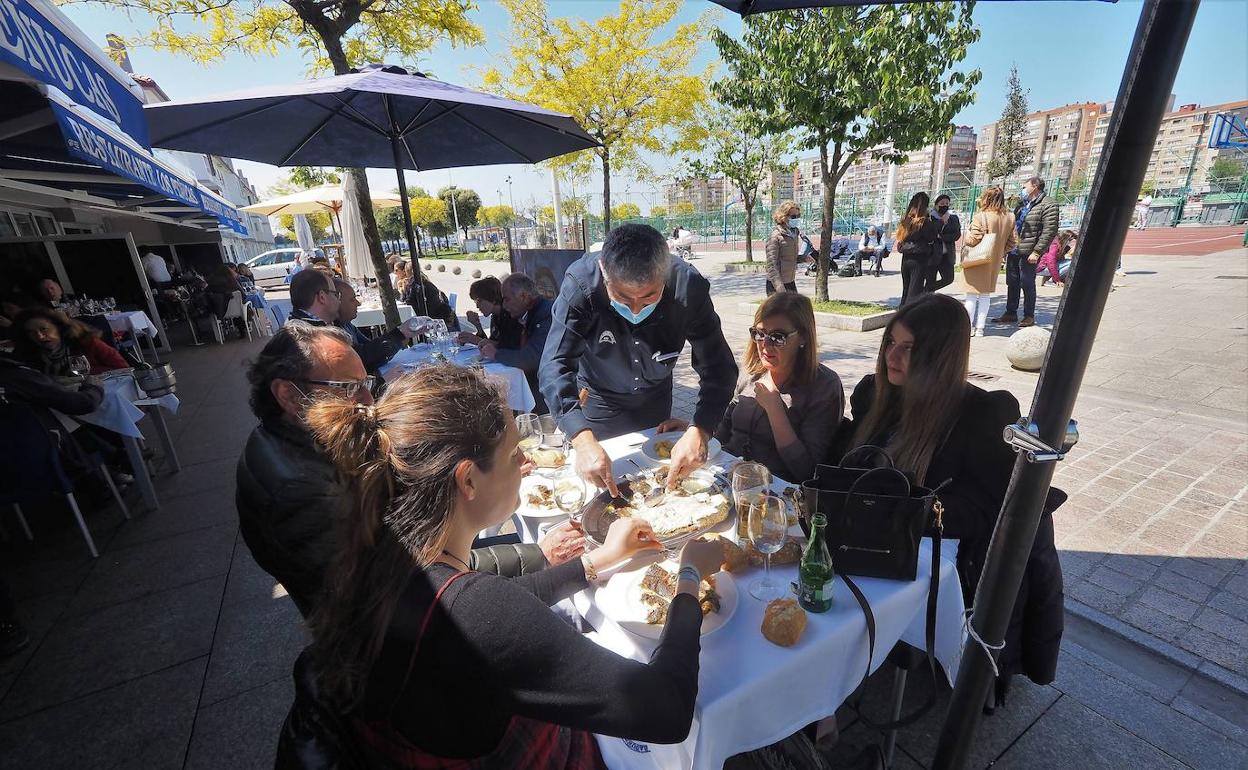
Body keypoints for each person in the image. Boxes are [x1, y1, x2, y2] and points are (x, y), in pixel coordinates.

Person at [281, 364, 723, 765]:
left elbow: (490, 617)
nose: (527, 463)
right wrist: (688, 577)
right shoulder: (477, 614)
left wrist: (596, 561)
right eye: (515, 455)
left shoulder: (378, 550)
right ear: (468, 479)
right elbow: (668, 710)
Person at [236, 323, 577, 618]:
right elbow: (432, 596)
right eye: (350, 388)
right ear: (289, 396)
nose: (370, 400)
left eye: (366, 382)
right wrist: (554, 561)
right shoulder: (301, 495)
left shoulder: (296, 448)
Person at [840, 293, 1063, 706]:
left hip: (948, 564)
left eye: (909, 349)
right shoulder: (876, 393)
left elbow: (988, 510)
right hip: (875, 543)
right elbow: (852, 460)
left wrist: (906, 509)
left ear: (940, 358)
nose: (894, 355)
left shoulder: (982, 415)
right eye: (891, 342)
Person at [539, 223, 737, 494]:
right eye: (621, 297)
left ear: (665, 276)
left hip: (654, 398)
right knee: (603, 482)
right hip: (600, 400)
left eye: (648, 297)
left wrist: (700, 429)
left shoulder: (688, 287)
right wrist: (581, 439)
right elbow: (555, 365)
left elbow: (718, 367)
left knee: (657, 482)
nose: (634, 309)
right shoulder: (581, 284)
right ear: (603, 272)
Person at [714, 292, 843, 483]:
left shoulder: (824, 387)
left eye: (778, 337)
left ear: (803, 338)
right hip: (727, 479)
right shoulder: (751, 371)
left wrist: (775, 410)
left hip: (777, 495)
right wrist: (697, 430)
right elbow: (723, 432)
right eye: (759, 333)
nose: (765, 345)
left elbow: (808, 472)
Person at [481, 273, 552, 414]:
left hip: (547, 391)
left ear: (524, 297)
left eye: (507, 300)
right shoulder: (525, 312)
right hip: (533, 385)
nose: (504, 306)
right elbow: (516, 345)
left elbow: (531, 358)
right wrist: (497, 345)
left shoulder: (545, 314)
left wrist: (496, 354)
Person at [994, 176, 1058, 328]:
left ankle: (1029, 315)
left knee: (1027, 282)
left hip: (1030, 251)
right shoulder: (1022, 204)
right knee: (1012, 281)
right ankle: (1010, 312)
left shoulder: (1048, 204)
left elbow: (1049, 230)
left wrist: (1037, 251)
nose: (1023, 190)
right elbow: (1013, 225)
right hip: (1014, 249)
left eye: (1025, 186)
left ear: (1035, 186)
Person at [961, 186, 1018, 336]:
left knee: (971, 295)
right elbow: (1013, 242)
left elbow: (973, 239)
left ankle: (968, 328)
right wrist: (999, 251)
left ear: (986, 198)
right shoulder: (1010, 217)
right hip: (994, 261)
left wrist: (966, 235)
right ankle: (980, 328)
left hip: (977, 259)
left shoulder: (981, 216)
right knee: (985, 295)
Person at [12, 308, 128, 375]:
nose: (40, 336)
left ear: (58, 326)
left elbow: (123, 368)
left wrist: (92, 376)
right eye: (31, 332)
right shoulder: (30, 355)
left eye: (44, 329)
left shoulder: (85, 341)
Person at [332, 277, 412, 372]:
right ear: (335, 301)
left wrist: (398, 335)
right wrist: (398, 338)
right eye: (352, 299)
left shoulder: (346, 324)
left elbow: (369, 347)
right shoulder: (332, 331)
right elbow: (362, 356)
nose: (358, 303)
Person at [894, 192, 940, 306]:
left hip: (906, 258)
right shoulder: (924, 222)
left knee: (906, 290)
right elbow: (932, 237)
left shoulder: (906, 220)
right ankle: (909, 319)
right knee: (914, 292)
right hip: (919, 259)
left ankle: (901, 315)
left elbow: (900, 238)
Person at [458, 275, 523, 349]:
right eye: (475, 301)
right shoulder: (495, 315)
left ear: (493, 299)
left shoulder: (511, 315)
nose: (477, 306)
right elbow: (490, 342)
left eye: (479, 301)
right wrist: (478, 326)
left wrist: (476, 340)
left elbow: (511, 348)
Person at [926, 194, 962, 292]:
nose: (944, 205)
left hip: (947, 255)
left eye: (947, 203)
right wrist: (942, 221)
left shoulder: (953, 218)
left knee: (949, 278)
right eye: (942, 203)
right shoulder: (930, 217)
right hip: (932, 254)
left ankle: (925, 291)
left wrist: (941, 237)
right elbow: (933, 233)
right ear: (936, 205)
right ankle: (927, 299)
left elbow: (956, 235)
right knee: (930, 279)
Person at [764, 201, 801, 294]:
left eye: (798, 216)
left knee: (797, 308)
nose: (796, 219)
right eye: (793, 216)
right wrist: (780, 289)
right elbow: (772, 266)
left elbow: (790, 258)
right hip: (776, 285)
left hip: (790, 282)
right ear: (784, 217)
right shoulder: (775, 237)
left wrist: (805, 258)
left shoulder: (794, 234)